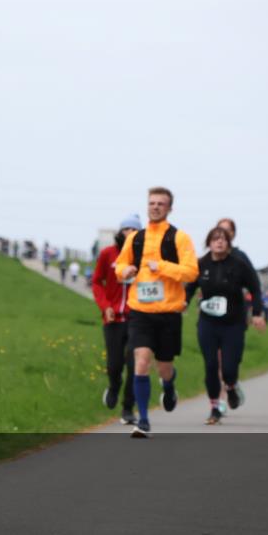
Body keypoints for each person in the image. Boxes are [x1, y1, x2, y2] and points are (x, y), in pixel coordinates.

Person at [113, 187, 199, 438]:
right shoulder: (135, 238)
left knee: (164, 367)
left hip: (169, 312)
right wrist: (124, 271)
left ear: (169, 208)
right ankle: (143, 419)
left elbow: (191, 272)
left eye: (161, 203)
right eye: (152, 203)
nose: (156, 207)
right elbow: (119, 265)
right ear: (147, 206)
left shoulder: (179, 238)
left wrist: (161, 266)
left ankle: (169, 386)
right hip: (140, 311)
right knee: (140, 361)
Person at [186, 226, 267, 424]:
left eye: (223, 239)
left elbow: (255, 288)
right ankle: (214, 407)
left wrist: (257, 313)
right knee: (211, 365)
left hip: (233, 323)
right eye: (215, 239)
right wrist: (183, 303)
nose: (219, 242)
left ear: (228, 243)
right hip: (208, 322)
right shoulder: (201, 264)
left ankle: (231, 387)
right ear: (209, 243)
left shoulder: (238, 264)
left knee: (229, 368)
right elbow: (190, 287)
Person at [92, 214, 142, 425]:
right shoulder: (107, 254)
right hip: (112, 319)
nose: (129, 233)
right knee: (114, 365)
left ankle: (128, 407)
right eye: (126, 229)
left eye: (134, 230)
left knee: (134, 364)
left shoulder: (143, 257)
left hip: (136, 319)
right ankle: (114, 385)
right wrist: (105, 307)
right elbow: (96, 282)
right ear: (120, 232)